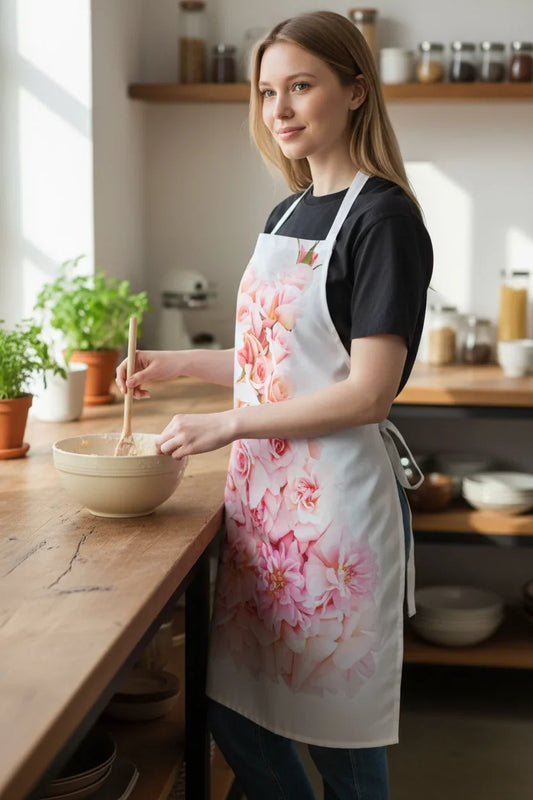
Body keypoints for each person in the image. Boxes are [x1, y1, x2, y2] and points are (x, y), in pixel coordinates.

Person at [117, 10, 433, 799]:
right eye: (266, 92)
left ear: (355, 91)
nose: (280, 109)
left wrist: (224, 423)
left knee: (342, 743)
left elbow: (366, 393)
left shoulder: (382, 217)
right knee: (236, 713)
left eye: (301, 86)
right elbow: (276, 363)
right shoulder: (286, 214)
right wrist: (174, 365)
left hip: (334, 522)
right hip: (265, 510)